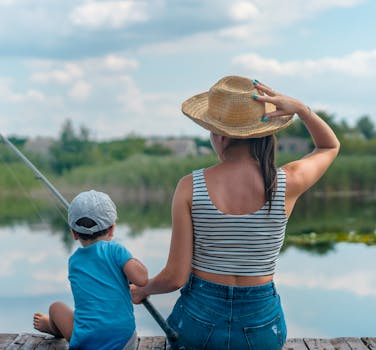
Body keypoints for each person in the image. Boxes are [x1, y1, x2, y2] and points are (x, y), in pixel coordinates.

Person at [131, 76, 340, 349]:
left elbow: (175, 277)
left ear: (219, 135)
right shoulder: (288, 182)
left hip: (199, 320)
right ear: (263, 133)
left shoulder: (190, 187)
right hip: (263, 324)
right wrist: (301, 109)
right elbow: (329, 146)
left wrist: (144, 290)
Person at [33, 190, 148, 350]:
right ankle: (52, 326)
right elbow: (142, 279)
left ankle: (52, 327)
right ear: (112, 229)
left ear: (74, 233)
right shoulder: (116, 251)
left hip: (86, 343)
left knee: (56, 307)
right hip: (124, 342)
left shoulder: (74, 262)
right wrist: (127, 262)